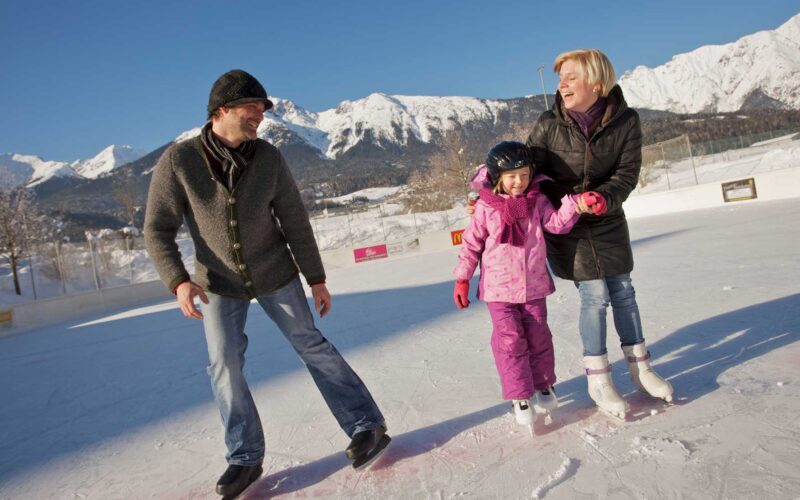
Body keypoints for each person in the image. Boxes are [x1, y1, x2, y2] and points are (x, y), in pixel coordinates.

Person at [144, 69, 390, 498]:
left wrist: (316, 278)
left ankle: (366, 425)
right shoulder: (179, 161)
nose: (260, 114)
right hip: (217, 282)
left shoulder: (269, 157)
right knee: (224, 364)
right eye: (252, 107)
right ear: (222, 110)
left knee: (311, 344)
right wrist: (178, 280)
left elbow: (294, 220)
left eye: (262, 108)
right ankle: (245, 456)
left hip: (276, 272)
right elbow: (156, 229)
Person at [526, 49, 674, 419]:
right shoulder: (548, 124)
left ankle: (641, 367)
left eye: (571, 77)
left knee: (623, 290)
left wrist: (603, 198)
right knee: (594, 295)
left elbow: (626, 173)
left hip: (606, 218)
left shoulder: (626, 121)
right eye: (560, 78)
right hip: (567, 222)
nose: (562, 85)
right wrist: (492, 190)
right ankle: (599, 378)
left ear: (596, 82)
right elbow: (526, 172)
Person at [453, 141, 587, 426]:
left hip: (533, 285)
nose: (519, 182)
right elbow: (471, 243)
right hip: (499, 289)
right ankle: (520, 394)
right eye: (512, 176)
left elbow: (555, 224)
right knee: (510, 340)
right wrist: (463, 278)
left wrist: (574, 205)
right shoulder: (486, 207)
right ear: (497, 176)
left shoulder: (537, 200)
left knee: (539, 337)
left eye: (525, 175)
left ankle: (543, 384)